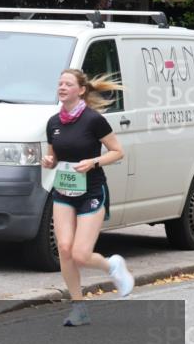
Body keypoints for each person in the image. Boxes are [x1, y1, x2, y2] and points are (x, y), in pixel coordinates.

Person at [41, 68, 133, 326]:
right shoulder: (53, 123)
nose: (61, 87)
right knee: (64, 249)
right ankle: (78, 307)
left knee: (81, 254)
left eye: (67, 84)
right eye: (59, 83)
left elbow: (118, 152)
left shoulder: (93, 120)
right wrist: (49, 161)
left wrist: (93, 162)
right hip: (63, 192)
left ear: (80, 90)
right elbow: (54, 156)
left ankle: (112, 266)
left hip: (91, 191)